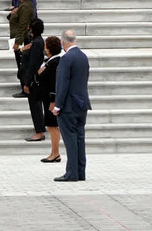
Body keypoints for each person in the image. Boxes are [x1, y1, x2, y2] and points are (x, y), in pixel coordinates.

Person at [52, 29, 91, 182]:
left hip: (68, 106)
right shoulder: (83, 56)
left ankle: (71, 173)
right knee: (80, 139)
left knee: (70, 140)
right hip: (82, 104)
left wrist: (57, 106)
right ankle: (81, 171)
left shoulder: (66, 59)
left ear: (63, 42)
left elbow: (62, 84)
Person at [38, 35, 64, 163]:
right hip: (47, 98)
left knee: (52, 126)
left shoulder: (54, 63)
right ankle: (54, 152)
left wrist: (53, 101)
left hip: (50, 100)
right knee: (51, 125)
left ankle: (56, 153)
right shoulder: (49, 61)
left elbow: (53, 83)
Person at [20, 17, 46, 142]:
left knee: (35, 106)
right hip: (35, 79)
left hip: (34, 81)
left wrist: (27, 82)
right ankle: (39, 129)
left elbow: (32, 64)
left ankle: (39, 131)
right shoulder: (37, 41)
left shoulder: (36, 43)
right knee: (35, 106)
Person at [8, 0, 35, 97]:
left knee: (23, 65)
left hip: (21, 39)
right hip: (17, 38)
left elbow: (23, 26)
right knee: (21, 64)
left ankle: (26, 88)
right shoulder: (23, 5)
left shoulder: (25, 6)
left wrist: (17, 43)